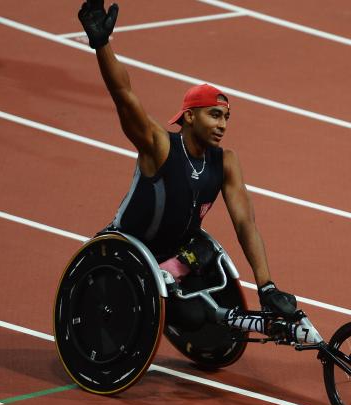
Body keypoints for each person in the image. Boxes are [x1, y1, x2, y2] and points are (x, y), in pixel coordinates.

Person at [78, 0, 297, 320]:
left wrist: (266, 286)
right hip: (125, 252)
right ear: (190, 116)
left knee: (207, 261)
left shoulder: (226, 163)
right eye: (214, 115)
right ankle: (160, 281)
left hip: (172, 256)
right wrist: (101, 46)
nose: (222, 125)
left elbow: (245, 223)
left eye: (226, 117)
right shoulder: (159, 145)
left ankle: (169, 277)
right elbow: (123, 95)